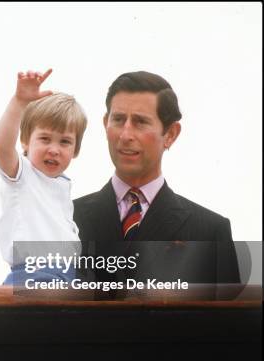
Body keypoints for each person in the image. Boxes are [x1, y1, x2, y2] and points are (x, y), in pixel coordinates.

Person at [73, 71, 240, 296]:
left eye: (140, 122)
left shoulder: (209, 232)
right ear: (105, 123)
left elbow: (232, 327)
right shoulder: (64, 218)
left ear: (170, 133)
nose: (125, 134)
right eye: (119, 119)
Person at [0, 69, 87, 286]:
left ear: (75, 149)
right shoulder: (22, 175)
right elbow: (2, 144)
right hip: (33, 276)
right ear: (25, 141)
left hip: (67, 278)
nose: (54, 149)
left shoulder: (63, 186)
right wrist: (19, 102)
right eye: (45, 139)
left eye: (64, 142)